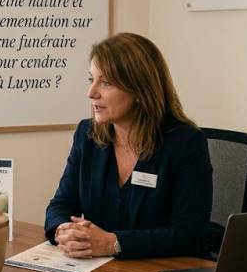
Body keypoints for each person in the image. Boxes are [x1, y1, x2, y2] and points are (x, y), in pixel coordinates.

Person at [44, 33, 213, 260]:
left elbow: (189, 235)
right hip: (98, 269)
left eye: (105, 82)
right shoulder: (88, 134)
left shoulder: (185, 143)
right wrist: (63, 231)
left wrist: (114, 243)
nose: (91, 93)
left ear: (140, 90)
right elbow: (62, 203)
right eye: (91, 79)